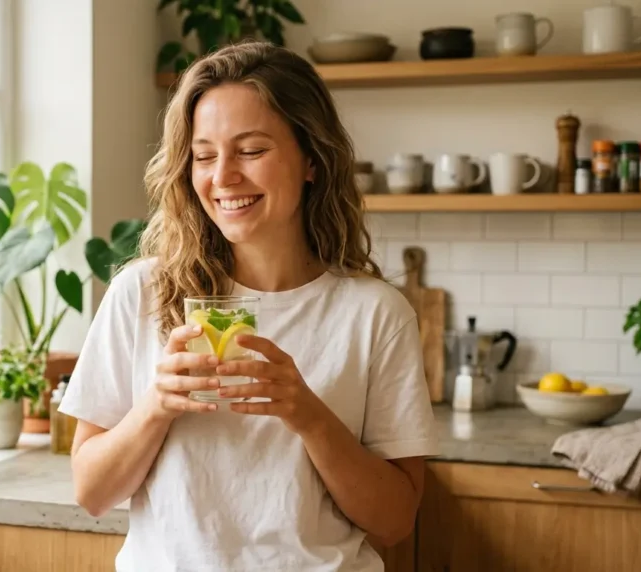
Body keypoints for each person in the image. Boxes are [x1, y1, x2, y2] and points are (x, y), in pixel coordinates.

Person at [57, 40, 439, 571]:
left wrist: (308, 415)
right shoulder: (142, 294)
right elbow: (92, 493)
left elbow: (396, 521)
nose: (223, 176)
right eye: (204, 155)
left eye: (252, 150)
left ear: (312, 159)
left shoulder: (375, 313)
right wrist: (157, 405)